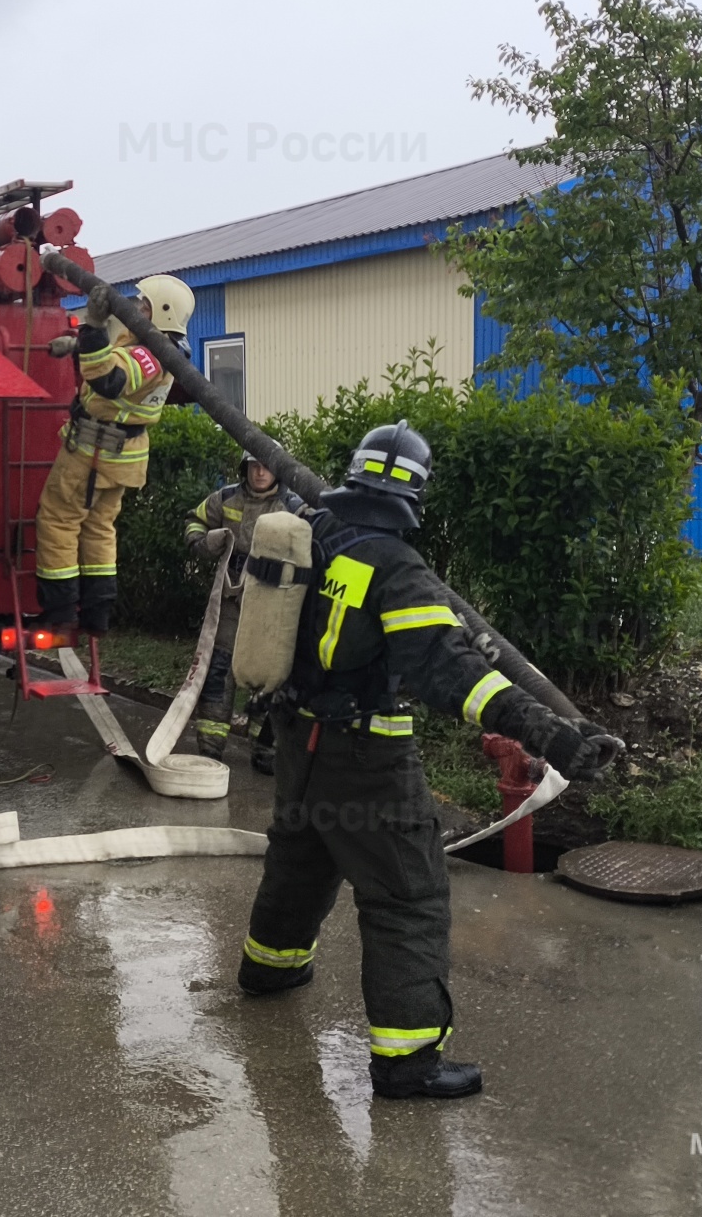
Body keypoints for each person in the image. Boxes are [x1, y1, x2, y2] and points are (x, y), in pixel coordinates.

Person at [237, 420, 622, 1101]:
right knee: (407, 896)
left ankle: (269, 970)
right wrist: (552, 735)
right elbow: (457, 678)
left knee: (301, 854)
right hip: (365, 759)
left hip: (297, 739)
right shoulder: (398, 570)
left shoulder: (311, 529)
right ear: (415, 492)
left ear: (356, 473)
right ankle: (407, 1062)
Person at [33, 273, 194, 633]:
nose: (138, 308)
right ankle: (97, 616)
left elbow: (110, 381)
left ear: (162, 312)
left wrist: (92, 324)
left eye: (145, 305)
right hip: (119, 457)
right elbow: (116, 359)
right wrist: (78, 345)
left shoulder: (149, 353)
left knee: (58, 521)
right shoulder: (160, 348)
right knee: (98, 530)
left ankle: (59, 613)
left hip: (93, 454)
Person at [182, 452, 304, 767]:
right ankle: (210, 750)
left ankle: (266, 752)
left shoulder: (294, 507)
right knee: (219, 671)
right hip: (229, 601)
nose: (260, 472)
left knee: (270, 675)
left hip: (271, 606)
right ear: (245, 469)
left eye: (267, 466)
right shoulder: (225, 499)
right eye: (254, 466)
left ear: (278, 471)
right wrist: (203, 542)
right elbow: (194, 520)